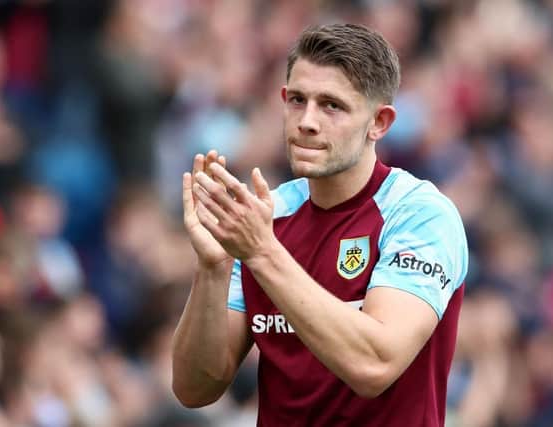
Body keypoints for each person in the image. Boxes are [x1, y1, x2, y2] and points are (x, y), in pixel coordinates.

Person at [172, 23, 468, 427]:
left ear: (379, 122)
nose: (307, 121)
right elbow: (195, 388)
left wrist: (262, 252)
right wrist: (213, 269)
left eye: (332, 105)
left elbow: (374, 365)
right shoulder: (265, 217)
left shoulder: (418, 214)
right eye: (297, 100)